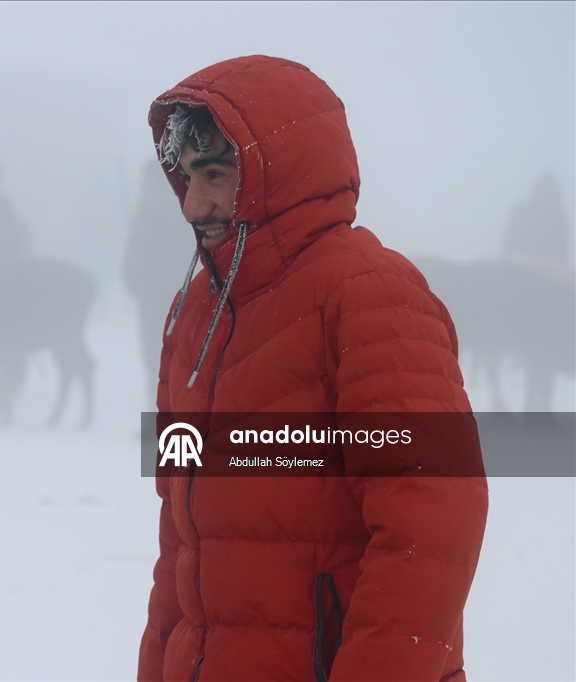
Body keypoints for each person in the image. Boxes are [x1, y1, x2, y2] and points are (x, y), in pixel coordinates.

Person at [138, 56, 488, 681]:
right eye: (188, 177)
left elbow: (431, 525)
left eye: (216, 174)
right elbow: (180, 543)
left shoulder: (368, 293)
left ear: (277, 171)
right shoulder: (196, 312)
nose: (194, 205)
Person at [123, 160, 193, 409]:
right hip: (190, 288)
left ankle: (162, 416)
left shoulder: (152, 202)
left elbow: (138, 247)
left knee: (157, 354)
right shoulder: (192, 197)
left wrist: (134, 282)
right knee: (188, 354)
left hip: (155, 293)